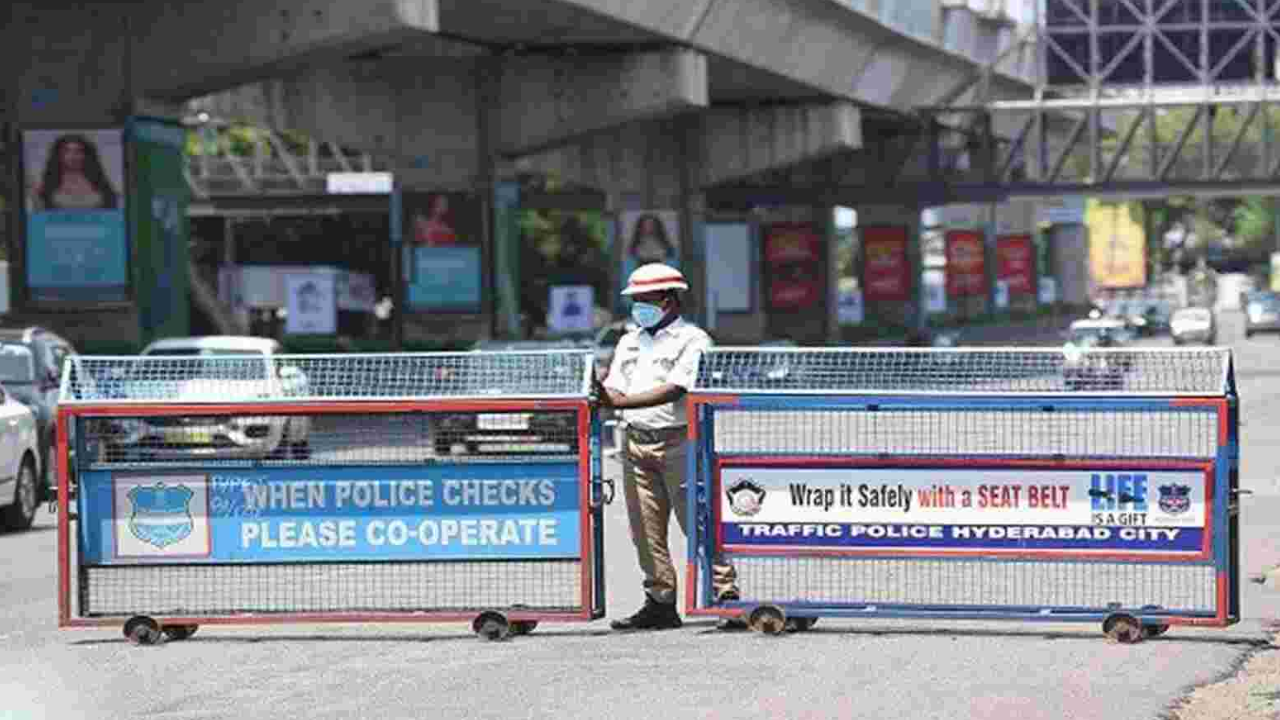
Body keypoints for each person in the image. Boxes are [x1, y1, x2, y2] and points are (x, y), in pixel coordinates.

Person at [594, 262, 741, 631]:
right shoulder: (629, 340)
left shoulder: (693, 340)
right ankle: (660, 601)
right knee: (645, 529)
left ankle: (726, 595)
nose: (637, 306)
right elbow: (616, 387)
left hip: (680, 441)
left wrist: (618, 404)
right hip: (635, 442)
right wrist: (599, 393)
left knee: (699, 521)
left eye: (644, 299)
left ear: (669, 300)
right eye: (635, 300)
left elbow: (676, 388)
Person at [30, 133, 119, 211]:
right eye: (67, 151)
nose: (73, 156)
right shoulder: (48, 186)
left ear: (86, 155)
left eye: (78, 151)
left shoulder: (100, 184)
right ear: (59, 155)